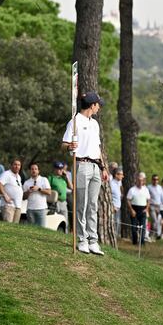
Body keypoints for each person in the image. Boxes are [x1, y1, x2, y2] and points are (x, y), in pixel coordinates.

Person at [63, 92, 108, 255]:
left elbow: (97, 147)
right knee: (81, 204)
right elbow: (64, 144)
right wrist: (69, 147)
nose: (99, 107)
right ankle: (81, 240)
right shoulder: (74, 121)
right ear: (92, 105)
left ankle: (93, 241)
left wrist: (103, 168)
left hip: (96, 166)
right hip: (81, 165)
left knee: (93, 205)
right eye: (98, 104)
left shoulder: (95, 124)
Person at [22, 162, 52, 228]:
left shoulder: (44, 180)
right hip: (30, 209)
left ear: (38, 171)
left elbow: (49, 192)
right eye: (32, 169)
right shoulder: (27, 182)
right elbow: (24, 197)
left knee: (42, 230)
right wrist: (28, 192)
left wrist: (39, 189)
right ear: (30, 171)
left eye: (35, 169)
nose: (34, 170)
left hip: (41, 209)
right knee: (31, 230)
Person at [0, 158, 24, 224]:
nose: (17, 166)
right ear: (11, 165)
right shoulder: (6, 174)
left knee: (14, 229)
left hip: (17, 206)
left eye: (19, 165)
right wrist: (5, 195)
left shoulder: (19, 177)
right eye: (15, 164)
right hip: (8, 206)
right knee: (8, 227)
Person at [126, 172, 151, 245]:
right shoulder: (132, 189)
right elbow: (128, 200)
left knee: (143, 227)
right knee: (134, 227)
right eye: (139, 181)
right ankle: (134, 242)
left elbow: (149, 200)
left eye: (141, 181)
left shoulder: (146, 189)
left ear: (143, 181)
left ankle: (142, 242)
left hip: (143, 209)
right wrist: (131, 210)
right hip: (134, 209)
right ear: (136, 181)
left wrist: (146, 209)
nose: (140, 182)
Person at [110, 168, 124, 236]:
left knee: (117, 223)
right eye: (121, 174)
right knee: (113, 223)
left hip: (118, 207)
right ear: (116, 175)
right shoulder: (111, 184)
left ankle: (115, 236)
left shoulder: (118, 183)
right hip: (113, 208)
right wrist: (112, 206)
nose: (123, 176)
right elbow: (109, 196)